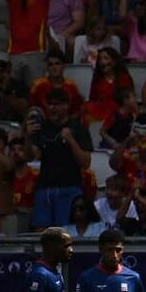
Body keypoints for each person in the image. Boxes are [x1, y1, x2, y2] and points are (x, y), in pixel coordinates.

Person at [26, 88, 93, 229]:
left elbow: (85, 163)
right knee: (41, 234)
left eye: (56, 104)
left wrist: (70, 140)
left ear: (66, 105)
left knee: (66, 235)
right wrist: (28, 136)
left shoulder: (78, 128)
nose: (52, 108)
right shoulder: (43, 127)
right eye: (49, 104)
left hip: (70, 188)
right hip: (45, 188)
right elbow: (31, 155)